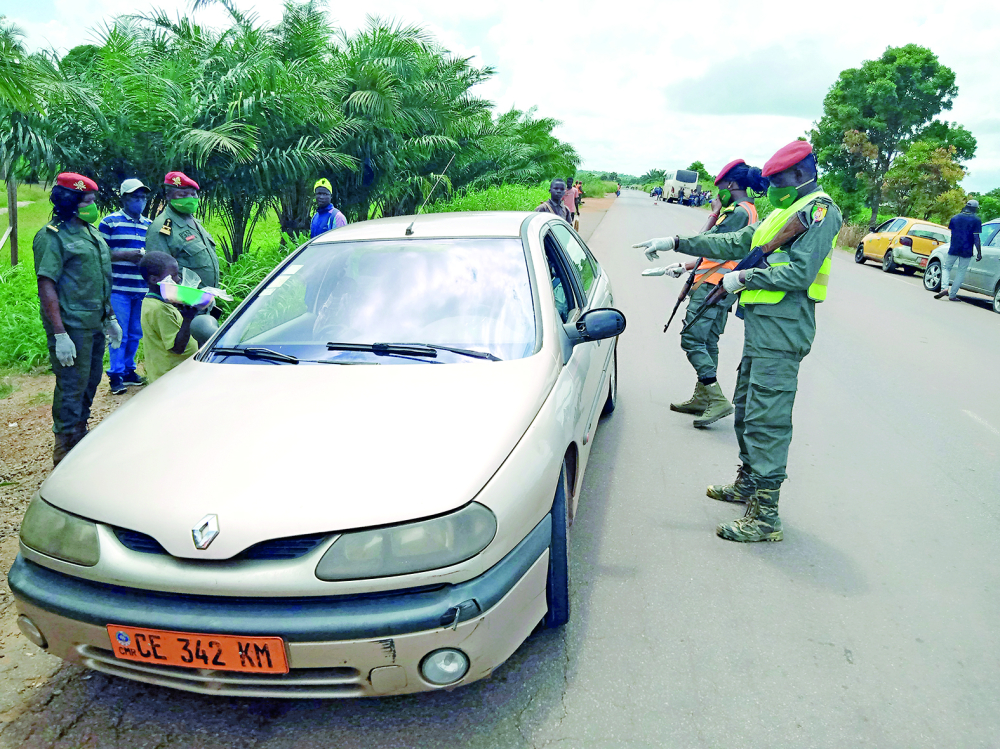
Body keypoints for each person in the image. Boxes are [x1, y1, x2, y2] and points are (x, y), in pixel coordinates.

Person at [633, 141, 841, 543]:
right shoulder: (785, 211)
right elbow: (733, 244)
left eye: (778, 180)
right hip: (763, 327)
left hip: (784, 329)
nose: (773, 188)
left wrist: (744, 278)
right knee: (747, 407)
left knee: (768, 418)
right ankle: (748, 484)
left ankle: (766, 516)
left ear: (800, 175)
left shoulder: (819, 211)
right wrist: (676, 241)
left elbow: (799, 273)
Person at [640, 159, 767, 428]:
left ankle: (717, 399)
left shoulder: (738, 213)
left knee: (691, 339)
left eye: (718, 186)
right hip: (721, 284)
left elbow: (707, 244)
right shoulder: (747, 210)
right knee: (708, 342)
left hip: (713, 285)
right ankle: (703, 398)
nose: (715, 192)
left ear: (730, 185)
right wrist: (679, 267)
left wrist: (713, 214)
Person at [32, 173, 122, 466]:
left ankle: (79, 437)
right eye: (87, 201)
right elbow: (47, 284)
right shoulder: (52, 236)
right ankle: (64, 449)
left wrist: (109, 317)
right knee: (71, 386)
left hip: (95, 324)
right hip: (72, 328)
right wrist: (59, 333)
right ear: (71, 202)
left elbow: (99, 278)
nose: (93, 206)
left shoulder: (91, 233)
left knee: (91, 382)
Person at [99, 178, 151, 394]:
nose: (139, 202)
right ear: (124, 199)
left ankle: (129, 370)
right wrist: (125, 255)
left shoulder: (149, 225)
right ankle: (116, 374)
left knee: (136, 332)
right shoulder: (110, 222)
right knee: (118, 333)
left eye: (142, 197)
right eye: (134, 197)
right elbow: (100, 254)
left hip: (141, 287)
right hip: (119, 288)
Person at [146, 171, 219, 290]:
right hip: (183, 303)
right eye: (183, 195)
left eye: (193, 194)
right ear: (168, 196)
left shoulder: (193, 222)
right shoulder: (161, 227)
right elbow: (159, 274)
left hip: (203, 301)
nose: (190, 198)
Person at [138, 252, 200, 383]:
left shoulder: (158, 302)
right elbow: (177, 348)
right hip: (170, 376)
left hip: (175, 373)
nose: (177, 280)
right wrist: (188, 318)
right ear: (154, 280)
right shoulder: (160, 309)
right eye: (173, 276)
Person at [935, 199, 982, 301]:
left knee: (946, 267)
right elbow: (976, 238)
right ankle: (952, 295)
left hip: (954, 247)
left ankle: (944, 288)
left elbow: (952, 232)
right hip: (967, 250)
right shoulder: (976, 220)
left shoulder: (955, 218)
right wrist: (979, 252)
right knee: (961, 272)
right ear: (975, 209)